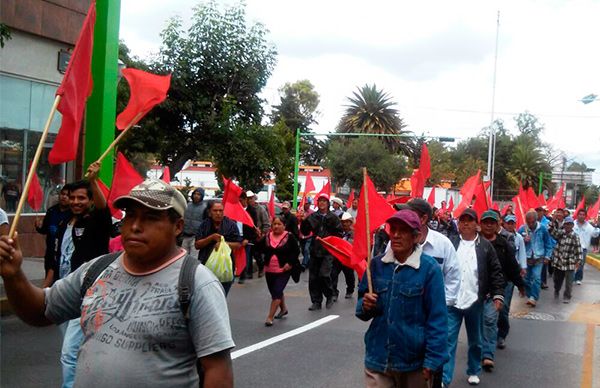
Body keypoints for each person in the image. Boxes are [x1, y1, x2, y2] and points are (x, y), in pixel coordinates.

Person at [0, 179, 234, 387]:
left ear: (178, 226)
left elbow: (218, 371)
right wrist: (13, 275)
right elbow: (40, 310)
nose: (135, 226)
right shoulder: (96, 269)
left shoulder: (197, 283)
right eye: (130, 215)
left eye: (151, 218)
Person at [356, 209, 448, 388]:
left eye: (403, 231)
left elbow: (437, 319)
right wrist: (366, 305)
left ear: (416, 237)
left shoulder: (430, 269)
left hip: (414, 364)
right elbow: (362, 309)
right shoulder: (376, 265)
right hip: (378, 359)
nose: (396, 235)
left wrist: (432, 361)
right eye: (393, 230)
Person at [53, 164, 113, 388]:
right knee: (77, 348)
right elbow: (56, 253)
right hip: (63, 291)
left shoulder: (95, 223)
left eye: (82, 198)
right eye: (73, 198)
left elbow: (103, 210)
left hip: (88, 294)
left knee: (68, 352)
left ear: (89, 201)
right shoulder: (64, 222)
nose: (76, 202)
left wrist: (93, 181)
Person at [443, 209, 505, 387]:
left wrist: (497, 295)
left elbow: (496, 272)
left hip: (475, 301)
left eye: (470, 221)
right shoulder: (451, 243)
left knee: (476, 340)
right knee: (448, 339)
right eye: (462, 220)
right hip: (452, 301)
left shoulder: (485, 246)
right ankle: (445, 378)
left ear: (476, 224)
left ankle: (473, 371)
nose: (466, 224)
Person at [478, 210, 525, 372]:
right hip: (477, 290)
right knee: (480, 322)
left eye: (492, 222)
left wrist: (520, 284)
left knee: (494, 318)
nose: (489, 225)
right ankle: (480, 348)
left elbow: (512, 266)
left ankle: (488, 354)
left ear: (498, 225)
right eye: (486, 222)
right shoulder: (473, 242)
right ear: (480, 224)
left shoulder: (504, 244)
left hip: (499, 288)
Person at [407, 199, 461, 308]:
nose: (404, 217)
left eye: (409, 214)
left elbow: (453, 276)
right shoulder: (395, 242)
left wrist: (442, 304)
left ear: (423, 219)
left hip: (434, 311)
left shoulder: (443, 244)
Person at [300, 193, 343, 310]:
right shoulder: (312, 217)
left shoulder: (333, 217)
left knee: (324, 274)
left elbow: (339, 233)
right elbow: (304, 232)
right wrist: (303, 221)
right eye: (320, 201)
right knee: (313, 278)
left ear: (328, 203)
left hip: (328, 251)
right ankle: (316, 301)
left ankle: (329, 295)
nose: (322, 203)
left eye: (324, 201)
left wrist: (331, 242)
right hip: (314, 250)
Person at [256, 216, 301, 326]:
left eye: (279, 224)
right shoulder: (267, 236)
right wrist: (261, 262)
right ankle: (284, 309)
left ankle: (269, 317)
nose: (276, 226)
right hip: (270, 270)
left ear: (284, 226)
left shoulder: (289, 237)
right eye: (274, 224)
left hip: (283, 271)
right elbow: (257, 249)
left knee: (276, 292)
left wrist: (289, 263)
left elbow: (296, 251)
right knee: (275, 292)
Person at [195, 200, 242, 295]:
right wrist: (211, 238)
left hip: (226, 268)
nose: (218, 213)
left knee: (222, 297)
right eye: (215, 210)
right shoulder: (204, 225)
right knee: (208, 297)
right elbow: (197, 245)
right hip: (206, 269)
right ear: (209, 212)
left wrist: (223, 244)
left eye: (220, 210)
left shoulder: (231, 225)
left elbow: (238, 244)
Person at [497, 214, 527, 349]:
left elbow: (520, 255)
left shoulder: (515, 238)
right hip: (492, 279)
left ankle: (502, 335)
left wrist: (522, 270)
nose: (510, 225)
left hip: (508, 278)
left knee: (503, 308)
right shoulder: (486, 238)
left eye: (512, 223)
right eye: (508, 223)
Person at [35, 184, 72, 287]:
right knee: (49, 276)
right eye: (63, 194)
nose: (64, 197)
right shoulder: (52, 211)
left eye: (68, 195)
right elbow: (45, 230)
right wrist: (39, 227)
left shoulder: (72, 214)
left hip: (63, 253)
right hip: (50, 252)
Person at [518, 210, 554, 307]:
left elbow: (548, 243)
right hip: (526, 259)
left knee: (537, 278)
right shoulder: (522, 229)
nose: (530, 224)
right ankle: (530, 296)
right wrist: (523, 241)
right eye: (528, 222)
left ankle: (534, 297)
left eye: (532, 222)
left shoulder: (542, 228)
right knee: (526, 280)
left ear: (536, 220)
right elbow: (516, 244)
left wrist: (547, 256)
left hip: (539, 258)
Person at [549, 216, 582, 303]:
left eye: (570, 224)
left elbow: (578, 249)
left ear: (572, 225)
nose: (568, 226)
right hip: (559, 262)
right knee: (557, 280)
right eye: (566, 224)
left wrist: (578, 261)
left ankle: (567, 296)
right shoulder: (560, 234)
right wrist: (552, 222)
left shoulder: (575, 236)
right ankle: (557, 290)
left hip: (569, 263)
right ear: (564, 225)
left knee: (569, 283)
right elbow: (552, 232)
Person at [331, 212, 356, 301]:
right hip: (337, 258)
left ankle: (350, 290)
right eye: (343, 222)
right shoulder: (338, 232)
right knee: (333, 274)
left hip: (348, 258)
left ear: (350, 222)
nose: (344, 224)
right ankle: (334, 293)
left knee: (349, 275)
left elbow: (352, 245)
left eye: (347, 222)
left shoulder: (354, 233)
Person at [573, 208, 600, 284]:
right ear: (577, 215)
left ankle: (578, 279)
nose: (581, 216)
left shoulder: (589, 226)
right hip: (572, 247)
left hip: (583, 248)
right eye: (580, 214)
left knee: (581, 264)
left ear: (585, 216)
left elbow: (595, 234)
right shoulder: (573, 224)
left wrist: (597, 226)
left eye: (583, 215)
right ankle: (571, 277)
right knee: (572, 263)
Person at [248, 190, 270, 278]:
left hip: (260, 236)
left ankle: (261, 268)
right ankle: (249, 272)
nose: (249, 200)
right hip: (250, 236)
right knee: (250, 254)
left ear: (254, 198)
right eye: (248, 199)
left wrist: (262, 234)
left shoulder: (260, 209)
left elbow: (266, 224)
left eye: (251, 198)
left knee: (258, 255)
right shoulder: (246, 210)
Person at [181, 187, 207, 258]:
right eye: (195, 194)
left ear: (202, 196)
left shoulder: (205, 208)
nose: (196, 196)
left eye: (199, 194)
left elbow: (206, 223)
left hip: (196, 238)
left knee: (193, 258)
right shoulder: (187, 205)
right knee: (183, 257)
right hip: (185, 235)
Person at [298, 199, 315, 270]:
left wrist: (305, 219)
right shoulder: (300, 211)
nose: (306, 205)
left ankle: (304, 264)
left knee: (306, 249)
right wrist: (300, 217)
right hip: (301, 234)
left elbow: (313, 223)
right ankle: (307, 262)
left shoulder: (312, 213)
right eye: (305, 203)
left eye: (308, 203)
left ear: (310, 204)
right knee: (302, 250)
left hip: (309, 234)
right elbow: (297, 220)